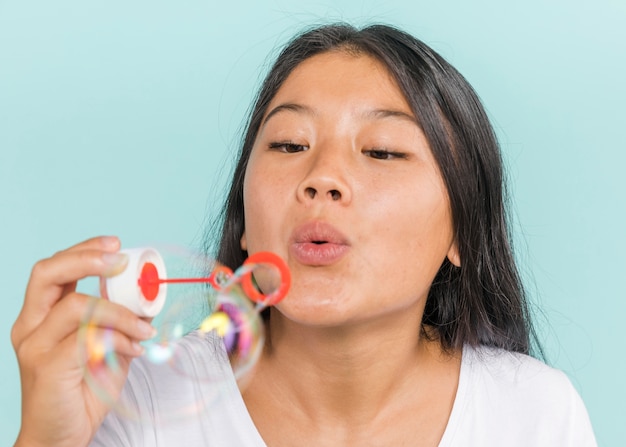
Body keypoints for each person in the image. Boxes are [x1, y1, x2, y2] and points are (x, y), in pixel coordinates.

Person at [11, 23, 597, 446]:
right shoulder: (137, 399)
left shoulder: (535, 416)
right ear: (245, 217)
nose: (321, 179)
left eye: (383, 151)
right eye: (290, 145)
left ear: (461, 232)